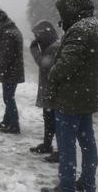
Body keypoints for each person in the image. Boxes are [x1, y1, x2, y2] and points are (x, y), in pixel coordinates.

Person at [41, 0, 98, 192]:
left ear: (72, 9)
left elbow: (66, 65)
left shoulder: (80, 29)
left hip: (70, 99)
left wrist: (52, 73)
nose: (62, 18)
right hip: (86, 96)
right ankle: (88, 182)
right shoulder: (97, 27)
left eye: (63, 13)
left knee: (67, 144)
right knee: (88, 143)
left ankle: (67, 186)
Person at [28, 20, 60, 162]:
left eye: (37, 36)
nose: (36, 39)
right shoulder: (51, 46)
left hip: (53, 92)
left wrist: (34, 51)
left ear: (44, 35)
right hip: (49, 90)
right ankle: (47, 145)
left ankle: (60, 151)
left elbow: (44, 65)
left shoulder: (53, 48)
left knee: (55, 121)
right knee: (49, 120)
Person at [0, 9, 25, 134]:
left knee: (8, 98)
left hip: (11, 70)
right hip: (14, 69)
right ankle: (7, 121)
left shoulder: (8, 33)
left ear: (1, 21)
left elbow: (6, 55)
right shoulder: (13, 30)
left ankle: (15, 125)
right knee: (9, 97)